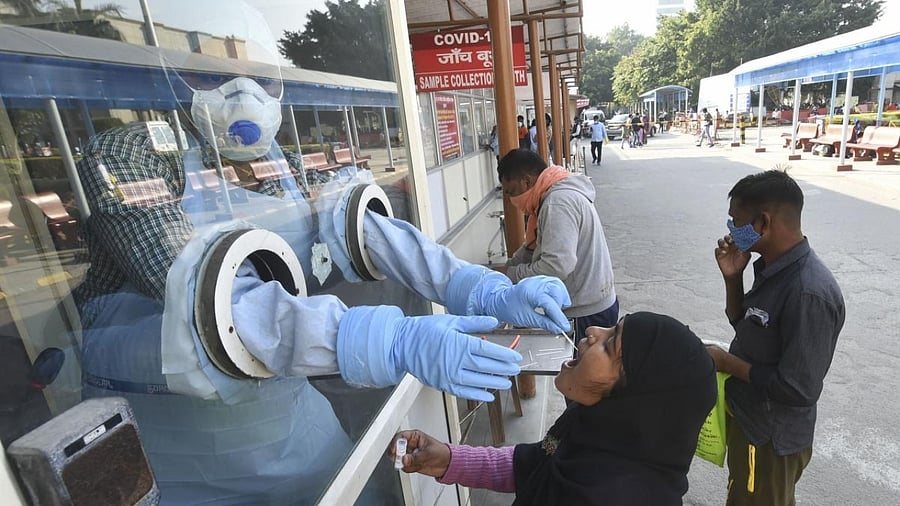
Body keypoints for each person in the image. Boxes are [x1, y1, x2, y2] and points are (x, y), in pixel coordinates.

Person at [70, 2, 573, 503]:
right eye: (214, 74)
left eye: (262, 77)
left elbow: (376, 232)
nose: (243, 93)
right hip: (177, 447)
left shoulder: (284, 166)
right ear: (172, 78)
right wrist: (391, 339)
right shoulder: (131, 159)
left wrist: (479, 287)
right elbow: (215, 303)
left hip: (287, 418)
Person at [387, 312, 718, 505]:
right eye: (609, 328)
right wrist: (449, 459)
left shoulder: (610, 496)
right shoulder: (595, 429)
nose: (591, 331)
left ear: (636, 401)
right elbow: (535, 462)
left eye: (609, 344)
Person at [706, 170, 845, 506]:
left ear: (763, 223)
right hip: (751, 419)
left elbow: (798, 389)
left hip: (770, 437)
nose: (730, 231)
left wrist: (727, 362)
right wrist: (733, 278)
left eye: (735, 222)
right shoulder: (772, 266)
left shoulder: (808, 292)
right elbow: (745, 324)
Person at [497, 149, 618, 340]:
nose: (512, 200)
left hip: (585, 312)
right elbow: (533, 247)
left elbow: (556, 266)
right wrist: (504, 270)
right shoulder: (550, 197)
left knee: (583, 369)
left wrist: (511, 274)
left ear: (527, 181)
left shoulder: (557, 203)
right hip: (590, 303)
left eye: (512, 192)